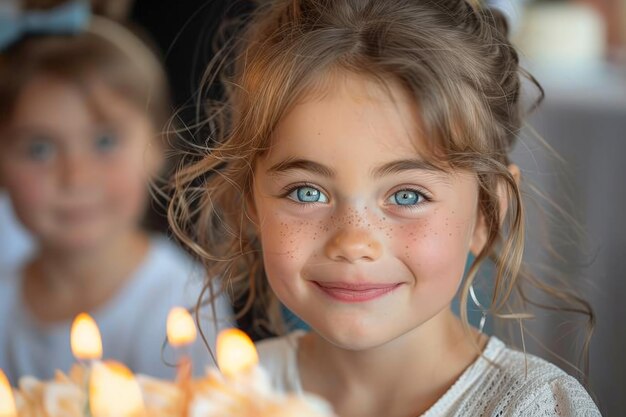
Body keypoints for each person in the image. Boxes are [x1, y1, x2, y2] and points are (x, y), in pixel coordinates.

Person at [169, 0, 601, 416]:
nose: (354, 243)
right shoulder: (234, 394)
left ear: (487, 212)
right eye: (306, 192)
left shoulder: (541, 408)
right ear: (252, 205)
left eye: (407, 195)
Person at [0, 0, 232, 385]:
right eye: (39, 148)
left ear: (158, 144)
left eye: (105, 141)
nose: (75, 177)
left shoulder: (185, 304)